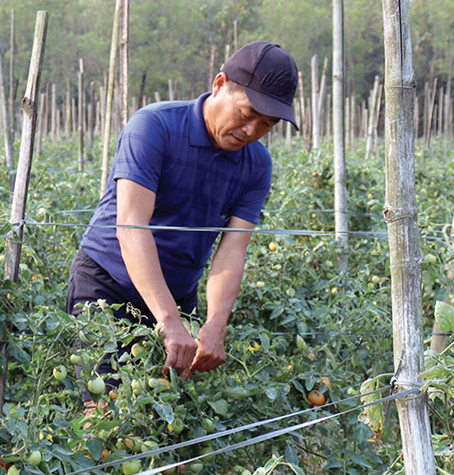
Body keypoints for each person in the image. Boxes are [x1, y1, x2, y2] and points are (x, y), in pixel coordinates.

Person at [66, 40, 299, 401]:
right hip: (106, 286)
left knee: (165, 422)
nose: (252, 130)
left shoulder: (257, 165)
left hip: (177, 296)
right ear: (220, 84)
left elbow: (232, 252)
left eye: (266, 124)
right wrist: (169, 322)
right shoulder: (154, 127)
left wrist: (215, 324)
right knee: (104, 417)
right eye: (247, 113)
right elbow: (131, 227)